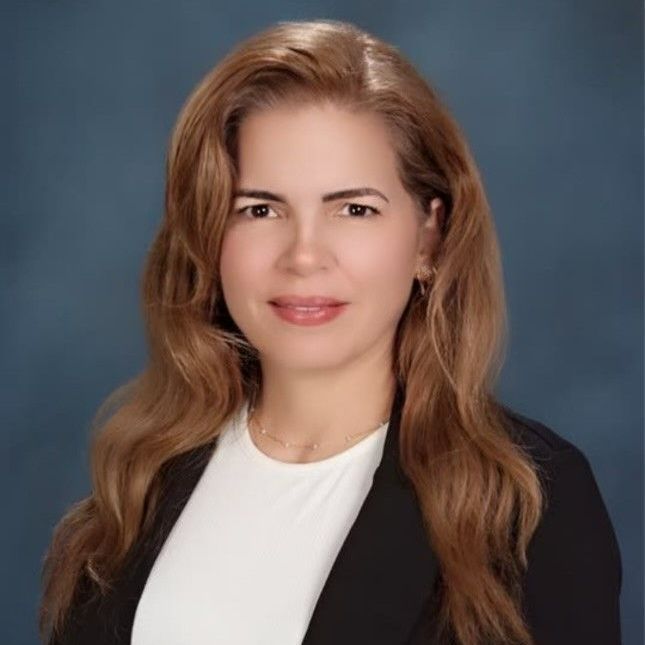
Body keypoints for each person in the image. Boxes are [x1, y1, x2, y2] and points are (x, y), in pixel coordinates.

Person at [39, 18, 622, 645]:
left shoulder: (530, 504)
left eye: (354, 209)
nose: (304, 255)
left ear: (429, 235)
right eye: (259, 209)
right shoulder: (138, 484)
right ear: (208, 234)